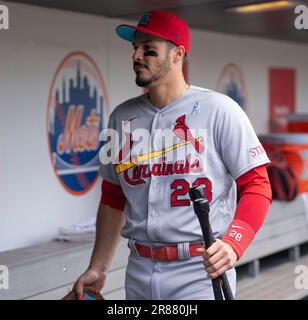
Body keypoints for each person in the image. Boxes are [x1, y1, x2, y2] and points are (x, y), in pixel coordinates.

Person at [70, 10, 272, 300]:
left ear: (178, 54)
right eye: (135, 48)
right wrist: (99, 267)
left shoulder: (219, 110)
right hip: (139, 268)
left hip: (200, 271)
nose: (137, 56)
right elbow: (114, 196)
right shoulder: (121, 117)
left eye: (148, 49)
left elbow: (258, 186)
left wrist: (233, 244)